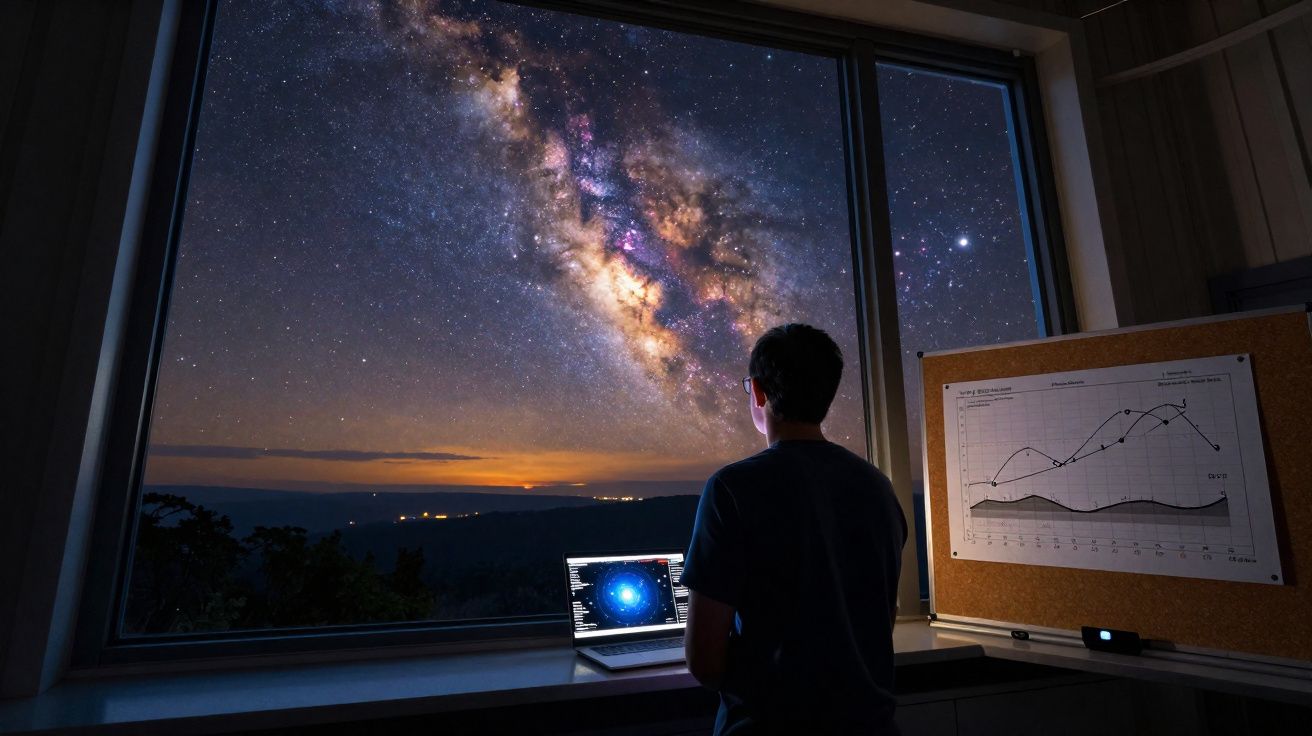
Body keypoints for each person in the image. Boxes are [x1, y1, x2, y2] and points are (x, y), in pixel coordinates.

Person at [680, 323, 907, 735]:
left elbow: (704, 660)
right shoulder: (877, 486)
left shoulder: (732, 488)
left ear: (760, 392)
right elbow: (877, 620)